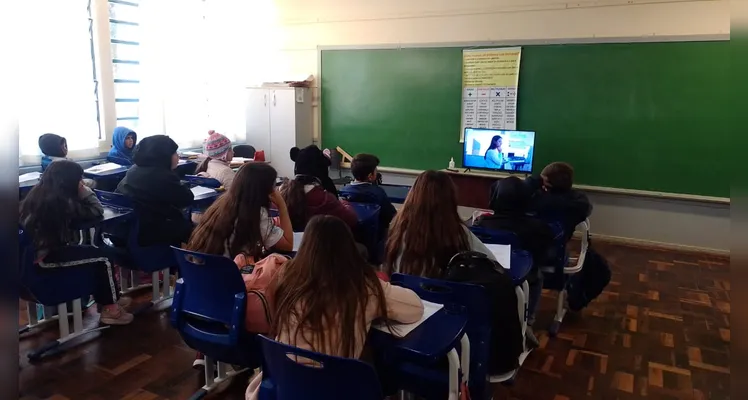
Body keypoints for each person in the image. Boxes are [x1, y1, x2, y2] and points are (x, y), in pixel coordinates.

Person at [245, 215, 424, 400]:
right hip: (335, 390)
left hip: (284, 386)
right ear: (349, 249)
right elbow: (415, 307)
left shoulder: (287, 276)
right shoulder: (363, 287)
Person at [19, 160, 133, 325]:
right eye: (79, 179)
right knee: (103, 257)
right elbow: (96, 210)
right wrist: (85, 190)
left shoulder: (38, 193)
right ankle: (110, 309)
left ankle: (109, 298)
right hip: (45, 257)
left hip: (28, 257)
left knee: (94, 254)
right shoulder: (61, 201)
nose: (81, 181)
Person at [474, 176, 557, 347]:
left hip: (489, 278)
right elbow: (546, 256)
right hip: (522, 280)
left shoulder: (482, 223)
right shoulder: (537, 227)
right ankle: (528, 322)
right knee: (538, 274)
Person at [384, 170, 496, 277]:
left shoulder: (397, 227)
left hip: (404, 292)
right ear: (450, 198)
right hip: (441, 296)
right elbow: (492, 262)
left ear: (413, 196)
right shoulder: (458, 232)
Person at [187, 162, 293, 259]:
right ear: (265, 189)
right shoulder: (256, 214)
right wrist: (282, 206)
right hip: (232, 276)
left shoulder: (221, 204)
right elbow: (288, 245)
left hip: (203, 274)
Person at [117, 135, 194, 246]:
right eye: (174, 153)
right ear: (164, 156)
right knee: (194, 229)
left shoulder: (134, 169)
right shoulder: (162, 176)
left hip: (129, 229)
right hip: (150, 231)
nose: (178, 157)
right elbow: (187, 199)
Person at [280, 146, 357, 232]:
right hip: (320, 243)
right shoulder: (325, 199)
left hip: (293, 243)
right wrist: (344, 203)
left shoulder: (282, 195)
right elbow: (351, 219)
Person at [526, 162, 592, 241]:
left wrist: (532, 181)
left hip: (530, 247)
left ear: (545, 182)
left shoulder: (536, 201)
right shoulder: (577, 203)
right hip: (558, 249)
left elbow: (511, 196)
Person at [341, 153, 397, 240]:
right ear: (370, 176)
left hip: (350, 237)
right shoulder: (378, 193)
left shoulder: (343, 191)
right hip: (375, 238)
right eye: (376, 171)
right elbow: (391, 215)